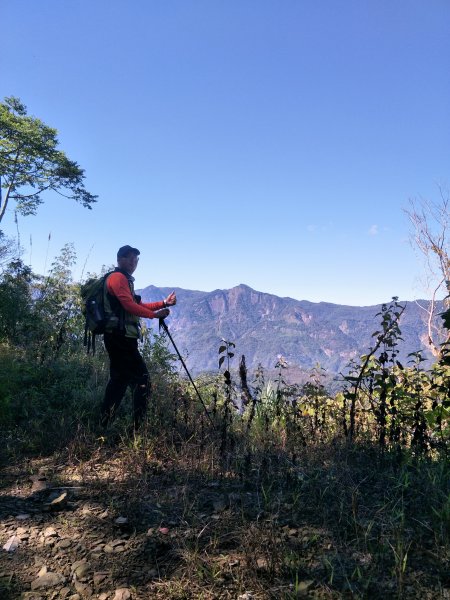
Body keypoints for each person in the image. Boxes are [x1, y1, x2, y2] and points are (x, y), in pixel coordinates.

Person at [100, 245, 176, 429]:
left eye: (136, 259)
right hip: (121, 339)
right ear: (120, 260)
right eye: (130, 258)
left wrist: (163, 304)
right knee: (143, 381)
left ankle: (103, 424)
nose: (134, 262)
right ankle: (138, 428)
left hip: (118, 337)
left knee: (119, 380)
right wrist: (155, 316)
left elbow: (139, 305)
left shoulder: (124, 280)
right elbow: (129, 306)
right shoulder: (117, 278)